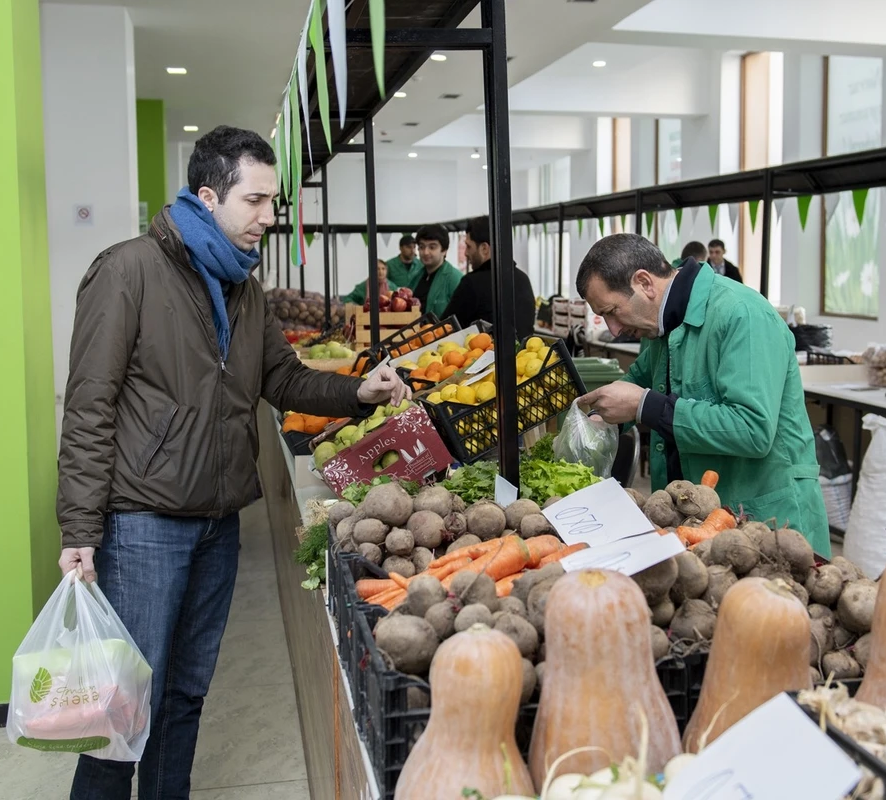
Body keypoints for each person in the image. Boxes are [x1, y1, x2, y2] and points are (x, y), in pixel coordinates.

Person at [56, 125, 410, 800]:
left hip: (219, 523)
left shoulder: (243, 289)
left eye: (272, 203)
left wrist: (357, 392)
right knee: (121, 704)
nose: (268, 218)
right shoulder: (127, 270)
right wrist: (79, 530)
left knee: (186, 693)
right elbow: (89, 407)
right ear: (208, 195)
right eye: (255, 201)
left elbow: (283, 379)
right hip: (143, 524)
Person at [574, 234, 829, 556]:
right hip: (699, 518)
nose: (613, 329)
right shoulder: (662, 324)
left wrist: (643, 406)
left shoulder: (742, 315)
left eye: (612, 311)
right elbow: (637, 381)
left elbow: (752, 429)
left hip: (766, 521)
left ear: (644, 283)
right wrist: (596, 419)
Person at [444, 216, 537, 341]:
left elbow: (445, 329)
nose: (466, 253)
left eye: (469, 246)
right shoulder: (523, 279)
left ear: (484, 248)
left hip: (483, 359)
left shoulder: (471, 284)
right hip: (525, 358)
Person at [408, 224, 463, 318]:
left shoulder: (454, 278)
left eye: (432, 247)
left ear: (444, 250)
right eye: (421, 247)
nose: (425, 252)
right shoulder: (416, 276)